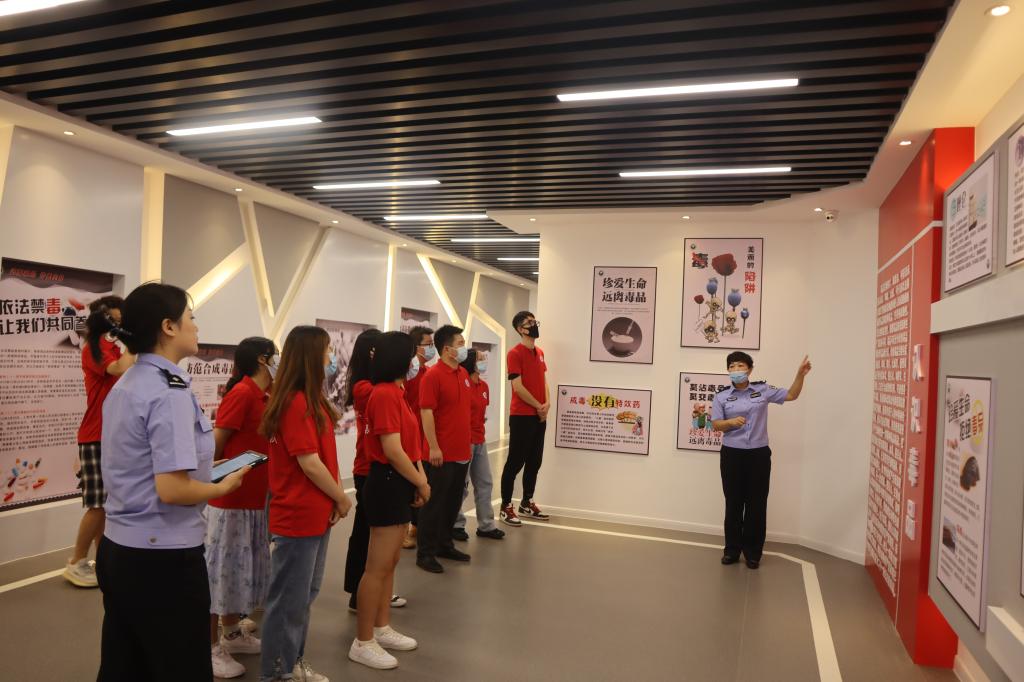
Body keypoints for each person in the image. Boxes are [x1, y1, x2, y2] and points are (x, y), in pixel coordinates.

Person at [97, 283, 249, 681]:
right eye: (190, 318)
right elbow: (173, 490)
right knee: (180, 667)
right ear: (168, 327)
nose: (196, 327)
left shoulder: (128, 383)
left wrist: (204, 470)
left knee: (124, 666)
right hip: (162, 559)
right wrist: (221, 487)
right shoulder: (169, 391)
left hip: (120, 550)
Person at [258, 325, 353, 682]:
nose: (331, 358)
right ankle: (276, 671)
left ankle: (292, 662)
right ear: (312, 356)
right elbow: (309, 462)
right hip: (298, 516)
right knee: (288, 601)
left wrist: (333, 499)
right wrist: (341, 497)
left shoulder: (310, 400)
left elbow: (321, 459)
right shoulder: (295, 402)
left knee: (303, 597)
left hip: (314, 514)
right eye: (327, 351)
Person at [350, 331, 430, 670]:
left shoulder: (398, 392)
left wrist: (418, 476)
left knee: (391, 562)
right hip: (385, 482)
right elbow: (392, 450)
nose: (417, 359)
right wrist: (421, 481)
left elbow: (411, 445)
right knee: (376, 567)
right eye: (413, 353)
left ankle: (381, 627)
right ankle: (363, 640)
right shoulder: (383, 394)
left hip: (399, 481)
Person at [205, 336, 277, 679]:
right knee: (219, 574)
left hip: (253, 499)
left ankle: (232, 632)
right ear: (263, 359)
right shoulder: (243, 393)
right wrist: (215, 482)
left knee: (236, 572)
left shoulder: (266, 395)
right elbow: (216, 445)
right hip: (231, 500)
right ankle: (208, 647)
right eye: (275, 355)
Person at [711, 352, 812, 569]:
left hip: (758, 454)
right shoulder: (721, 396)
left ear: (749, 369)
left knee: (756, 504)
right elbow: (716, 424)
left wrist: (800, 375)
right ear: (728, 370)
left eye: (740, 365)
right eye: (732, 366)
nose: (736, 370)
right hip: (732, 454)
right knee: (733, 503)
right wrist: (730, 423)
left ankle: (753, 553)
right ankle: (731, 550)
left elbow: (791, 395)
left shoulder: (763, 390)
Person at [64, 296, 136, 588]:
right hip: (95, 436)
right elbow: (118, 369)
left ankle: (101, 560)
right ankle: (76, 561)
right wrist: (134, 344)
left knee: (106, 504)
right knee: (97, 505)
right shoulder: (93, 349)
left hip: (112, 435)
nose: (119, 326)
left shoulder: (112, 347)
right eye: (115, 321)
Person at [343, 329, 408, 613]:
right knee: (366, 534)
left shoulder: (380, 387)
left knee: (378, 536)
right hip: (369, 467)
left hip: (377, 466)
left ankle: (374, 592)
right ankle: (360, 593)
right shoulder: (367, 388)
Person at [416, 324, 473, 573]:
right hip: (441, 453)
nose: (464, 348)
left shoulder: (463, 373)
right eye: (460, 344)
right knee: (434, 505)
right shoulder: (433, 376)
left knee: (452, 502)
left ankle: (444, 544)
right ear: (447, 349)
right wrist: (434, 447)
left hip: (462, 452)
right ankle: (425, 553)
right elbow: (426, 412)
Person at [500, 311, 551, 526]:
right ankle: (505, 506)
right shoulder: (514, 353)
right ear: (520, 329)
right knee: (515, 462)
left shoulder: (539, 352)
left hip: (539, 415)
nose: (533, 324)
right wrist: (538, 405)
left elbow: (543, 380)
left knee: (534, 461)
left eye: (534, 321)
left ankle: (526, 502)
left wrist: (547, 403)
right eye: (529, 322)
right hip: (522, 416)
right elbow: (518, 387)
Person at [453, 348, 504, 541]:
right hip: (464, 441)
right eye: (481, 358)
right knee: (461, 486)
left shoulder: (484, 386)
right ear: (471, 362)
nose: (484, 361)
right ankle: (456, 524)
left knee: (485, 483)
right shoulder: (462, 384)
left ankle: (486, 525)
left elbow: (481, 414)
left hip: (480, 440)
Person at [401, 325, 434, 550]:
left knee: (421, 484)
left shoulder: (427, 373)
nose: (431, 348)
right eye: (428, 344)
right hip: (405, 436)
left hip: (423, 437)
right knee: (406, 483)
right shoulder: (408, 373)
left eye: (432, 344)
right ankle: (403, 529)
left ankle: (416, 525)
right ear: (416, 347)